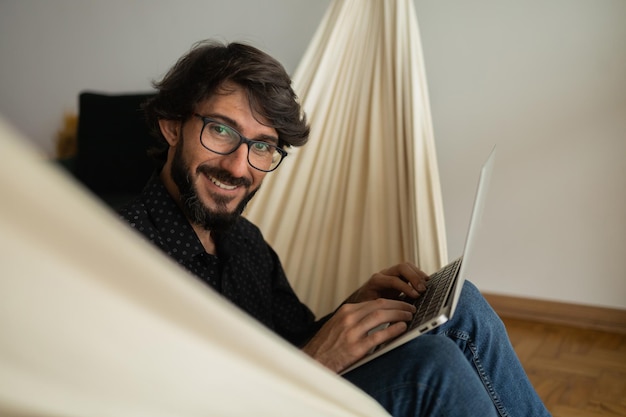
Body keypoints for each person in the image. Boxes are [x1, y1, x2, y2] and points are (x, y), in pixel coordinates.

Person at [118, 40, 551, 417]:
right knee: (431, 367)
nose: (237, 166)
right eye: (220, 130)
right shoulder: (124, 254)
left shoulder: (244, 241)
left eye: (262, 146)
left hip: (290, 391)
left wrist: (356, 306)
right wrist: (312, 365)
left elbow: (296, 341)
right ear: (173, 125)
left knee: (462, 304)